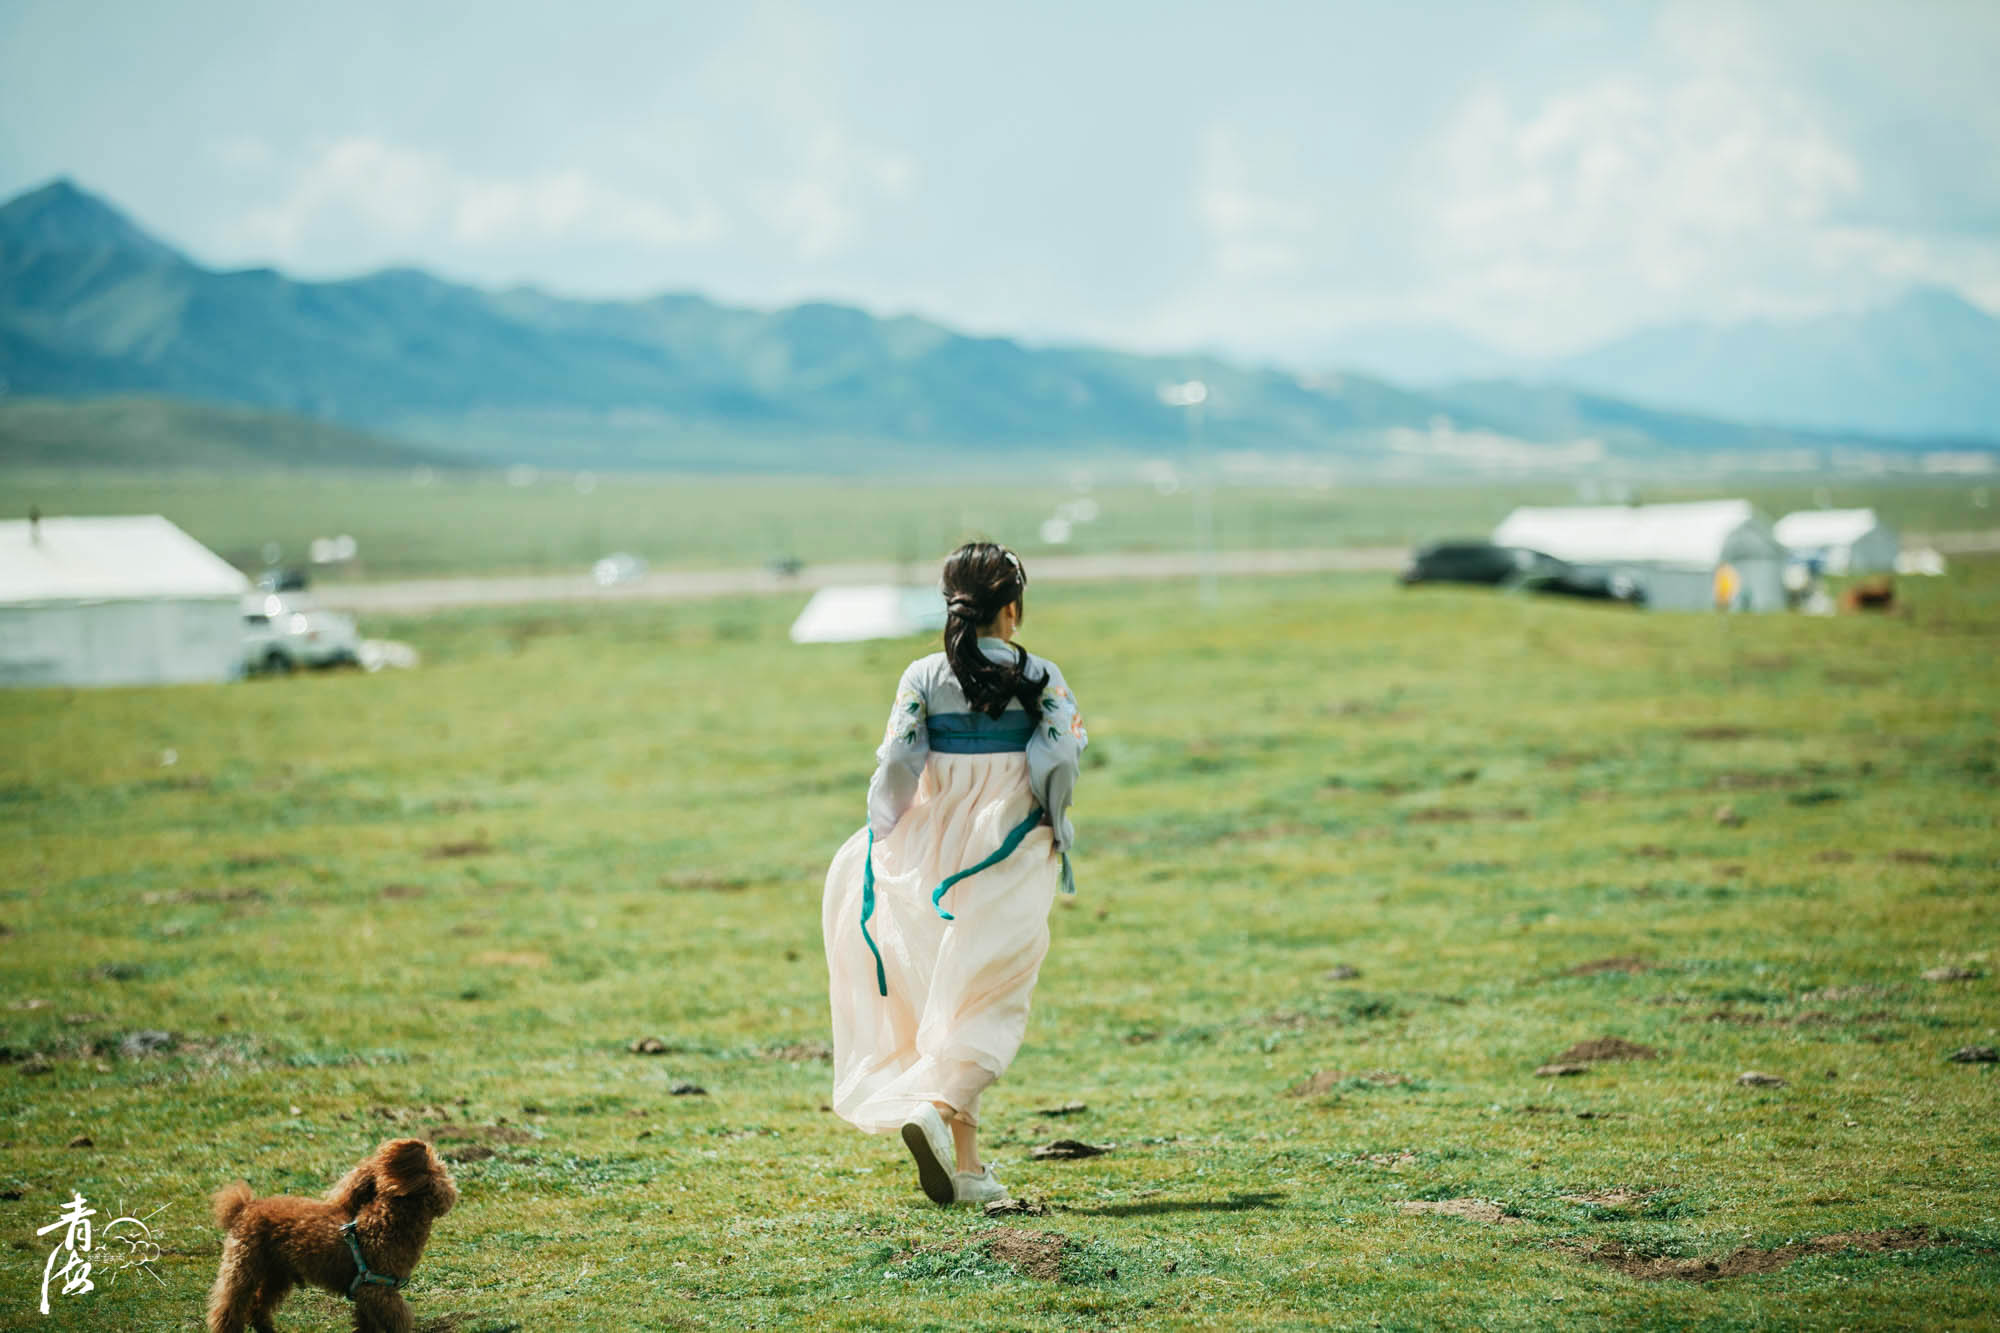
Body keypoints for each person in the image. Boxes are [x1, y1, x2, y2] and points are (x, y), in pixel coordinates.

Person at [820, 541, 1087, 1207]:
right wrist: (1055, 821)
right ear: (1014, 609)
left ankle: (965, 1167)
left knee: (949, 992)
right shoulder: (1042, 676)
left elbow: (898, 764)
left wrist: (886, 832)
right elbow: (1058, 759)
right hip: (1009, 848)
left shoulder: (920, 676)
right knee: (991, 997)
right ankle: (937, 1106)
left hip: (931, 854)